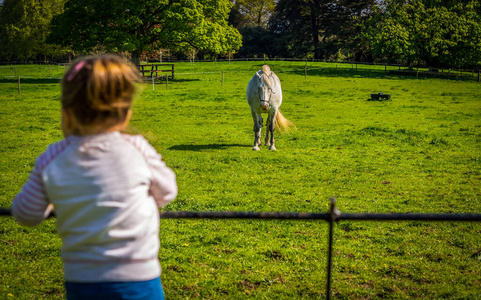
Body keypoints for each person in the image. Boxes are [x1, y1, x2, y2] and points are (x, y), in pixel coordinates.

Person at [11, 54, 177, 299]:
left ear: (66, 112)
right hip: (140, 278)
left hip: (82, 281)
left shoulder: (53, 156)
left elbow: (26, 214)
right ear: (126, 113)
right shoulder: (138, 148)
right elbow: (167, 192)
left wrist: (54, 201)